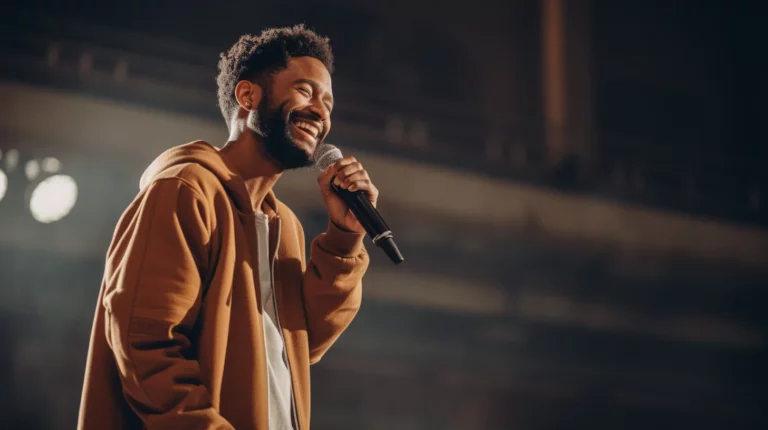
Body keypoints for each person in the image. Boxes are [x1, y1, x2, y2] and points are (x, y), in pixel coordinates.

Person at [78, 25, 376, 430]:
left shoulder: (283, 225)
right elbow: (146, 344)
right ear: (248, 95)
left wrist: (345, 238)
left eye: (328, 103)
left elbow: (304, 343)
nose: (322, 112)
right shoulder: (184, 190)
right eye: (306, 91)